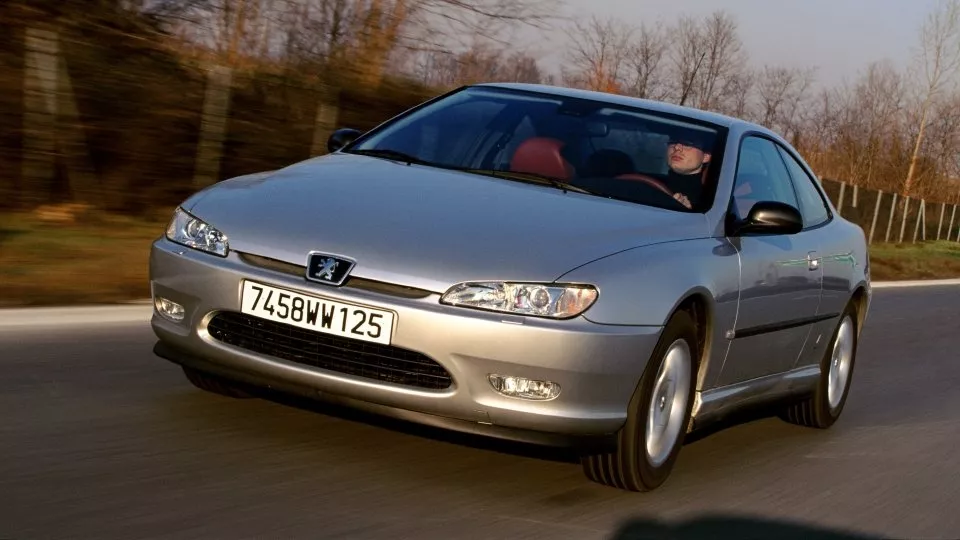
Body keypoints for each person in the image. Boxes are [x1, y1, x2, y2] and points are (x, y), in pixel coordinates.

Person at [662, 132, 713, 209]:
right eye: (673, 141)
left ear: (706, 157)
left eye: (687, 144)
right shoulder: (646, 183)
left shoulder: (710, 202)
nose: (677, 147)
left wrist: (687, 211)